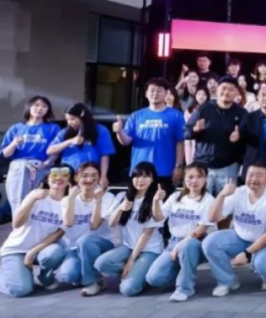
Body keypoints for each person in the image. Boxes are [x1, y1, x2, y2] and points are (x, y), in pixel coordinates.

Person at [0, 167, 69, 297]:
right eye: (54, 175)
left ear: (69, 180)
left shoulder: (68, 203)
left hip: (41, 249)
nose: (58, 178)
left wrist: (31, 253)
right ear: (47, 178)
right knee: (20, 290)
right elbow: (16, 223)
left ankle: (45, 277)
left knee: (56, 251)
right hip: (16, 249)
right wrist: (32, 199)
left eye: (64, 175)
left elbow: (58, 234)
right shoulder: (35, 195)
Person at [203, 163, 266, 295]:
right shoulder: (238, 192)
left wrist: (247, 254)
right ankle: (227, 281)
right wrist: (222, 195)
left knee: (263, 264)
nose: (254, 179)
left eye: (259, 175)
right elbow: (213, 218)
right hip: (241, 237)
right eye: (250, 175)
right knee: (210, 242)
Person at [90, 162, 166, 297]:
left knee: (128, 290)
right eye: (137, 176)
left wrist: (131, 260)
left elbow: (146, 233)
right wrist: (120, 208)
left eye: (145, 176)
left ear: (152, 179)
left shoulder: (155, 200)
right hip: (128, 247)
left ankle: (141, 274)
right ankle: (134, 271)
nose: (140, 180)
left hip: (149, 250)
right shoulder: (122, 196)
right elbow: (112, 223)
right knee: (101, 263)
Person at [145, 164, 215, 302]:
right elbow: (159, 218)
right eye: (190, 177)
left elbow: (199, 231)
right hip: (174, 241)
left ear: (205, 179)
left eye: (199, 177)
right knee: (154, 279)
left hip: (196, 243)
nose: (194, 181)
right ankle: (183, 268)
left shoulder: (209, 200)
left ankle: (184, 288)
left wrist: (179, 246)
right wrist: (156, 201)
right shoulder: (176, 197)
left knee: (187, 247)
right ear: (184, 178)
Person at [115, 78, 186, 190]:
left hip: (165, 170)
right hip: (140, 171)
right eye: (152, 90)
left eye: (159, 90)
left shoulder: (176, 115)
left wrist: (178, 167)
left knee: (163, 200)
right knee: (139, 201)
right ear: (146, 93)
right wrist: (119, 131)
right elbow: (126, 141)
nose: (155, 93)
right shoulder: (136, 116)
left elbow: (180, 142)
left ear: (166, 93)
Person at [186, 78, 248, 196]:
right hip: (203, 166)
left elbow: (247, 140)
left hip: (229, 166)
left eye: (231, 89)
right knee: (200, 201)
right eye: (223, 88)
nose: (226, 92)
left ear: (236, 92)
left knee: (227, 203)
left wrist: (239, 138)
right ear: (217, 89)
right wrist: (195, 130)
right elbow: (186, 132)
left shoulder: (242, 113)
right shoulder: (204, 108)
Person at [0, 95, 59, 212]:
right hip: (19, 168)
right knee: (18, 204)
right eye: (36, 105)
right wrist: (14, 143)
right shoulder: (16, 128)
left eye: (44, 106)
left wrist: (46, 163)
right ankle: (18, 222)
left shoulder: (53, 128)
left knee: (39, 204)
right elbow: (5, 153)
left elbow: (56, 151)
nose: (40, 108)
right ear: (29, 107)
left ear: (48, 110)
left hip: (42, 168)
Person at [47, 103, 116, 179]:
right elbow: (50, 150)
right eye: (67, 120)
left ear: (82, 116)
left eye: (72, 119)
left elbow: (105, 155)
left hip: (90, 172)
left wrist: (103, 176)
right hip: (68, 172)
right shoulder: (64, 132)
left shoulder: (100, 130)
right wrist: (70, 141)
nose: (70, 122)